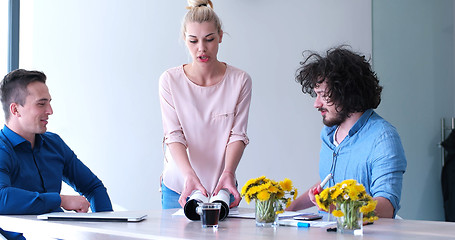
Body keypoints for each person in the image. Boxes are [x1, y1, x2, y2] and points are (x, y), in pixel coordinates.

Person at [286, 46, 407, 218]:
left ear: (345, 91)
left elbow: (387, 207)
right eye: (316, 95)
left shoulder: (383, 138)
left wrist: (338, 209)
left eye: (322, 95)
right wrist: (288, 210)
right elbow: (330, 181)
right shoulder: (329, 134)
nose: (316, 103)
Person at [159, 0, 252, 209]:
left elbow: (237, 135)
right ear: (185, 39)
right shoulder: (169, 81)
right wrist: (189, 177)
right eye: (193, 41)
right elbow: (173, 135)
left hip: (222, 186)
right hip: (179, 187)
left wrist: (228, 173)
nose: (202, 48)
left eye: (209, 39)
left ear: (220, 36)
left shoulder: (240, 81)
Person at [0, 69, 113, 238]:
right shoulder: (2, 149)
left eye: (49, 103)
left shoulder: (54, 144)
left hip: (63, 234)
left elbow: (93, 187)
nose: (50, 111)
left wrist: (106, 232)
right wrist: (60, 200)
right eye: (41, 104)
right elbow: (1, 198)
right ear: (16, 110)